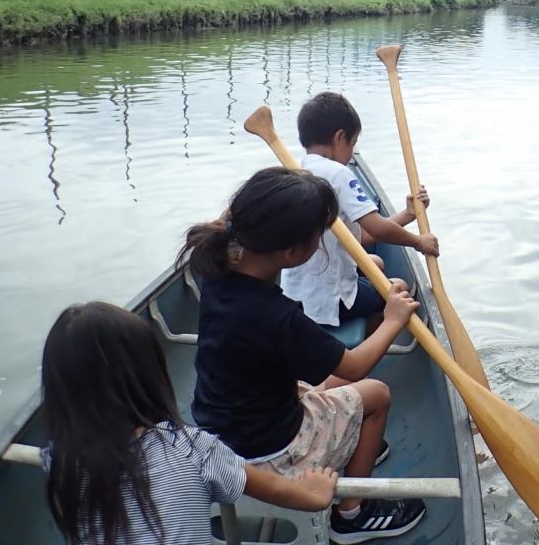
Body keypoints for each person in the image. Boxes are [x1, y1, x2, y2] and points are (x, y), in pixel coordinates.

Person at [179, 167, 427, 542]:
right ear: (293, 253)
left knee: (326, 382)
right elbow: (355, 365)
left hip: (219, 433)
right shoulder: (278, 317)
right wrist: (393, 320)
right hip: (271, 452)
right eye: (319, 236)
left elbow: (235, 214)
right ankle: (353, 513)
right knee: (376, 395)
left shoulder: (213, 267)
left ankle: (350, 443)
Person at [41, 301, 338, 545]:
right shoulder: (191, 448)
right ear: (150, 374)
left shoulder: (60, 459)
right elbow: (274, 489)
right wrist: (313, 495)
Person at [281, 92, 438, 331]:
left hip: (294, 295)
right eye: (352, 144)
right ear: (339, 137)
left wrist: (408, 215)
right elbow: (376, 228)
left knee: (376, 262)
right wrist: (418, 242)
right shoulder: (338, 174)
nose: (352, 153)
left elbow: (360, 237)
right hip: (330, 301)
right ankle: (368, 344)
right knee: (400, 288)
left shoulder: (296, 171)